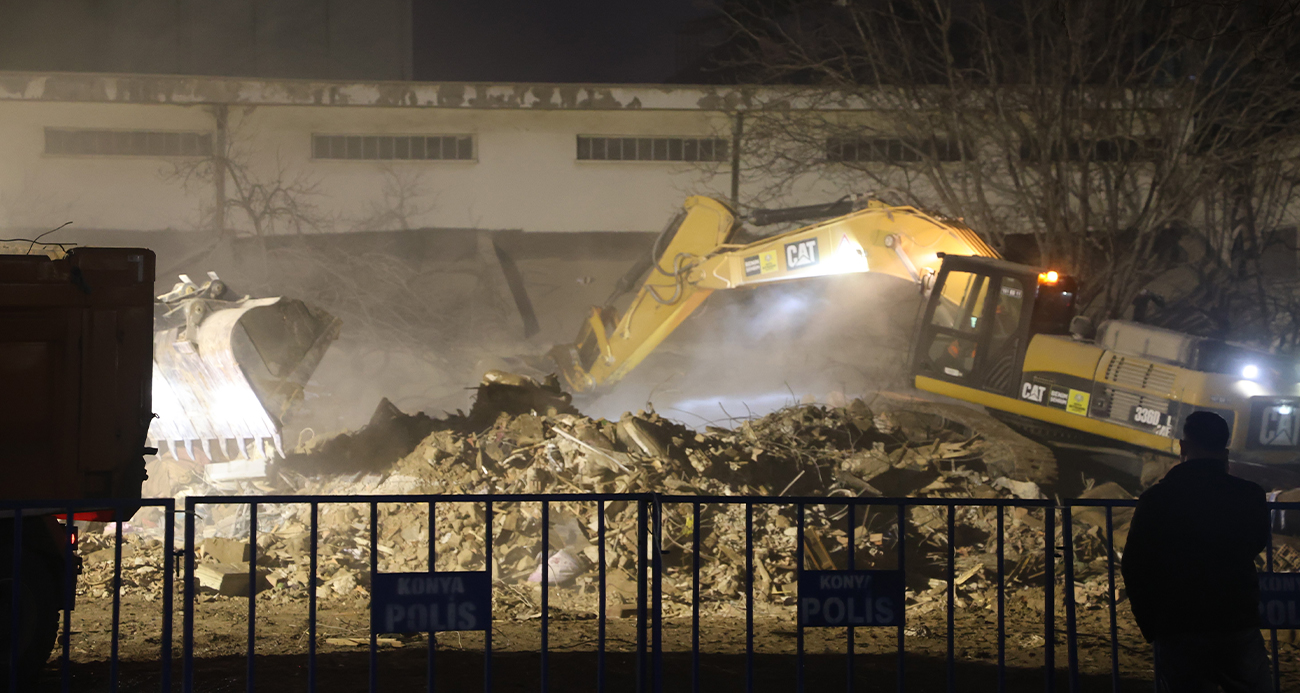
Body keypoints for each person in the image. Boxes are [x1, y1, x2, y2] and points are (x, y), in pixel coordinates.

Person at [1122, 411, 1273, 692]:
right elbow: (1255, 543)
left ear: (1183, 446)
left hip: (1179, 623)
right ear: (1225, 451)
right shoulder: (1249, 495)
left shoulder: (1158, 498)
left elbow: (1134, 563)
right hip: (1235, 620)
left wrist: (1151, 624)